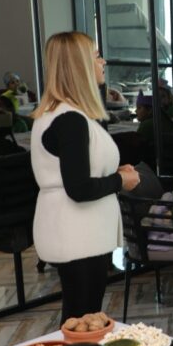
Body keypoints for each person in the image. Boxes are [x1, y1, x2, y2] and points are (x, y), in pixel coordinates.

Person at [30, 31, 140, 322]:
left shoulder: (63, 114)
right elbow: (78, 188)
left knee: (85, 317)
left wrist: (115, 173)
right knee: (82, 320)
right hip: (77, 233)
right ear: (79, 65)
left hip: (81, 232)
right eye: (96, 56)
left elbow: (78, 172)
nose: (103, 62)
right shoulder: (70, 120)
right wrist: (121, 181)